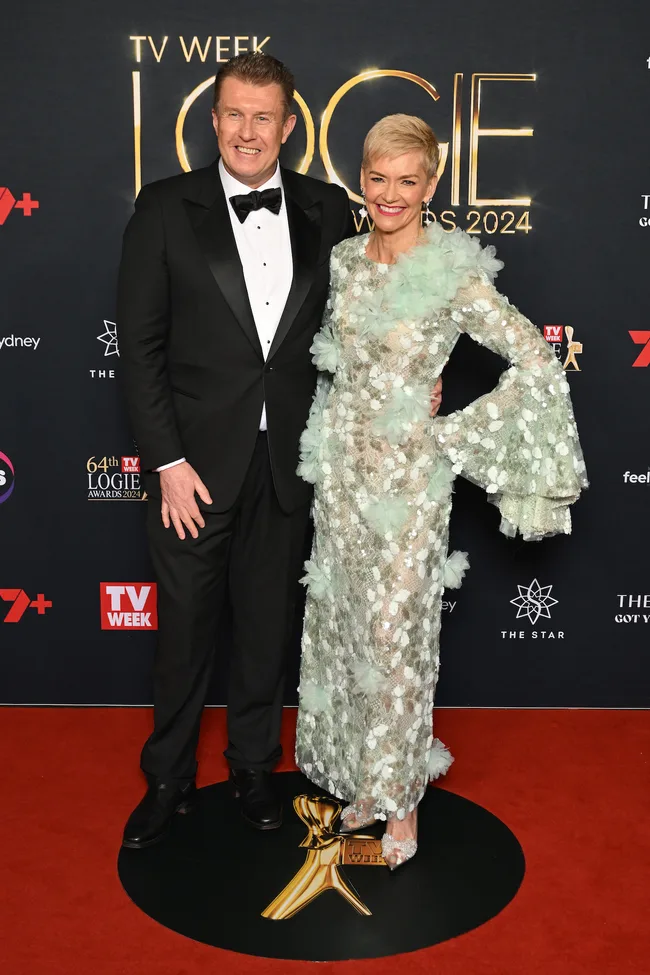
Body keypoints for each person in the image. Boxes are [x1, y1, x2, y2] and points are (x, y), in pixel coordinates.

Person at [295, 114, 588, 869]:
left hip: (409, 488)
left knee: (397, 644)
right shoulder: (345, 260)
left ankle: (404, 804)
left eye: (407, 181)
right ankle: (364, 781)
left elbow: (536, 360)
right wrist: (327, 451)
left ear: (430, 184)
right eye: (377, 178)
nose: (390, 194)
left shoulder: (454, 270)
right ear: (361, 179)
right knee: (348, 634)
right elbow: (335, 368)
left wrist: (450, 432)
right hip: (343, 481)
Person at [117, 52, 356, 847]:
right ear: (213, 119)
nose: (248, 131)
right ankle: (168, 781)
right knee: (184, 632)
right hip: (193, 468)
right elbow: (141, 349)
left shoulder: (328, 209)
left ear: (288, 126)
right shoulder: (162, 208)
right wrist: (167, 465)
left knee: (265, 627)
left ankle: (254, 767)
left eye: (265, 117)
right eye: (234, 114)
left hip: (291, 464)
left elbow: (357, 336)